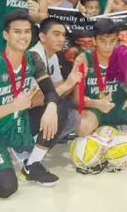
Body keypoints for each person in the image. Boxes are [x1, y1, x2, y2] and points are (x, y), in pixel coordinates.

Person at [0, 11, 59, 198]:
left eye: (27, 31)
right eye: (17, 31)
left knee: (62, 111)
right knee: (6, 187)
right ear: (5, 35)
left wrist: (51, 108)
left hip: (17, 126)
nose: (23, 36)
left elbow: (50, 91)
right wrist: (14, 106)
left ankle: (31, 164)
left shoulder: (33, 59)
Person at [22, 18, 83, 185]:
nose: (61, 39)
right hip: (18, 115)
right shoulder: (35, 56)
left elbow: (59, 90)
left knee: (73, 116)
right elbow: (34, 100)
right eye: (56, 34)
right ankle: (31, 163)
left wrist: (73, 79)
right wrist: (67, 86)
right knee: (59, 110)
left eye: (63, 35)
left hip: (34, 112)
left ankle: (30, 148)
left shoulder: (53, 57)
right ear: (42, 36)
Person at [73, 19, 127, 139]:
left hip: (120, 106)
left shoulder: (125, 57)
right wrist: (96, 103)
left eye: (112, 41)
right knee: (82, 127)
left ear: (117, 39)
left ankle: (122, 131)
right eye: (102, 41)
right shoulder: (82, 60)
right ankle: (98, 137)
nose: (108, 46)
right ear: (94, 40)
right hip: (95, 108)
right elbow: (77, 99)